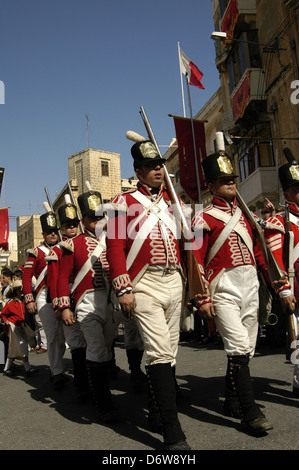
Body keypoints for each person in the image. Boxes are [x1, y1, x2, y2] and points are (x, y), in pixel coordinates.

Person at [106, 137, 193, 450]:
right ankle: (173, 431)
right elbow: (115, 247)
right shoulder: (120, 202)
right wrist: (123, 286)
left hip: (175, 281)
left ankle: (156, 411)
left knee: (170, 352)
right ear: (137, 171)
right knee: (157, 351)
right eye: (149, 166)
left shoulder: (176, 203)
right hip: (143, 282)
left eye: (159, 165)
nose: (157, 170)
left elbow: (191, 244)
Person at [192, 149, 273, 435]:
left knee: (247, 348)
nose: (230, 183)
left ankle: (232, 399)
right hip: (223, 288)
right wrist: (201, 296)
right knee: (238, 345)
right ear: (211, 186)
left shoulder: (245, 216)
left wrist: (276, 283)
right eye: (222, 179)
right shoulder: (203, 217)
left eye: (231, 178)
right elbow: (195, 259)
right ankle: (250, 413)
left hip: (250, 285)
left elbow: (260, 254)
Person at [57, 187, 122, 422]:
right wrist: (64, 306)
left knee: (105, 350)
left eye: (100, 216)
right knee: (95, 349)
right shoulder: (72, 245)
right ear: (83, 220)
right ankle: (104, 405)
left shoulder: (113, 239)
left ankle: (96, 391)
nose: (97, 221)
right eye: (92, 217)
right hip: (87, 303)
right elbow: (63, 277)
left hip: (111, 301)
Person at [46, 195, 89, 401]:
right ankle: (82, 385)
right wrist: (59, 305)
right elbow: (56, 279)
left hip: (86, 297)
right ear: (62, 229)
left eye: (74, 224)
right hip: (68, 299)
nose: (71, 228)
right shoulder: (57, 250)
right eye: (67, 225)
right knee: (76, 342)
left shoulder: (87, 242)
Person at [263, 150, 299, 397]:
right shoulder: (279, 222)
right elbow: (274, 261)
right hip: (296, 288)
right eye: (297, 188)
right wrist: (284, 290)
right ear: (287, 193)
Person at [22, 204, 66, 390]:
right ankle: (57, 372)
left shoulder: (65, 248)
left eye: (54, 231)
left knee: (64, 336)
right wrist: (29, 298)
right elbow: (26, 275)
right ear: (44, 234)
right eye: (49, 232)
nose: (52, 234)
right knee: (52, 335)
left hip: (64, 295)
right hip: (45, 296)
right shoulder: (36, 252)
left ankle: (58, 365)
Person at [1, 279, 38, 377]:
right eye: (19, 289)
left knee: (15, 348)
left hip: (23, 326)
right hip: (14, 327)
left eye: (22, 289)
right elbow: (3, 315)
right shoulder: (10, 304)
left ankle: (6, 368)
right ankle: (27, 368)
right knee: (22, 346)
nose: (21, 291)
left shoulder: (24, 302)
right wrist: (7, 322)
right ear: (15, 291)